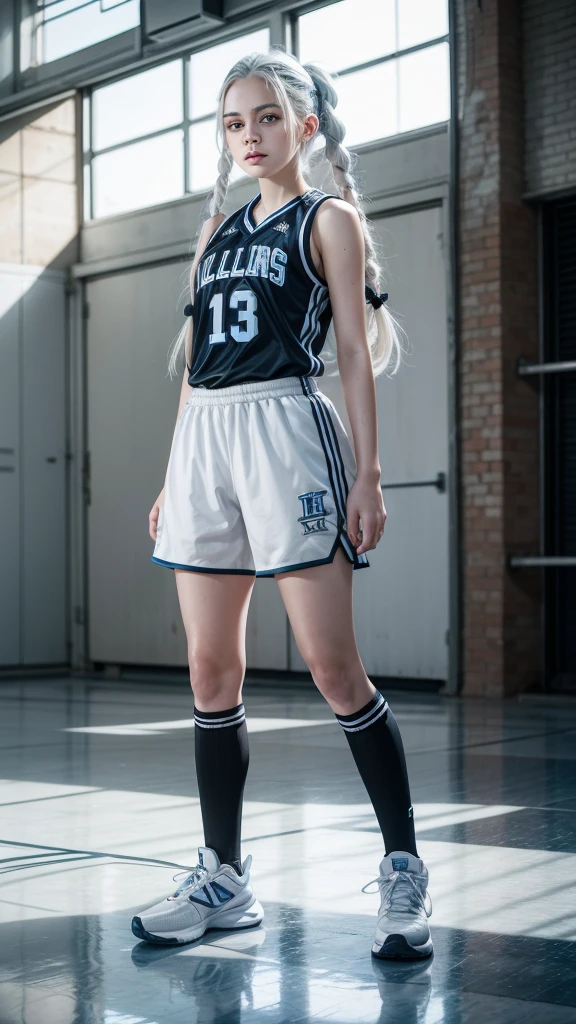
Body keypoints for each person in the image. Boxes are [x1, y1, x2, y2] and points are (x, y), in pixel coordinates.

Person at [131, 46, 433, 961]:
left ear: (303, 125)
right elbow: (194, 365)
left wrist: (370, 475)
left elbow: (350, 354)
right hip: (206, 443)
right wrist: (169, 473)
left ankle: (405, 869)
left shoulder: (327, 218)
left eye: (265, 117)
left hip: (288, 431)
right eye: (232, 122)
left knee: (334, 669)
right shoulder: (215, 232)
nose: (249, 135)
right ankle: (223, 877)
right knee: (208, 671)